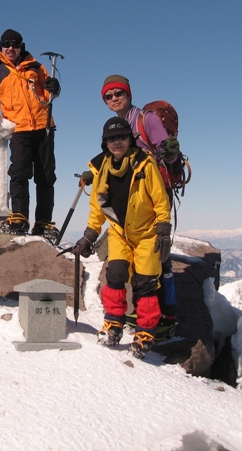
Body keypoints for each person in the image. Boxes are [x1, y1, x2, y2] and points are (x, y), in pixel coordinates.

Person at [73, 118, 172, 359]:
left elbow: (161, 201)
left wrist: (163, 230)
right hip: (119, 233)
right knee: (115, 276)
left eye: (122, 137)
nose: (117, 142)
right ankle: (113, 323)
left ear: (130, 139)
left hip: (147, 233)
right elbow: (97, 207)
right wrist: (89, 235)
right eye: (111, 138)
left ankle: (145, 331)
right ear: (105, 143)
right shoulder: (100, 169)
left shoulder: (145, 164)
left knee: (146, 283)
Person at [97, 74, 182, 328]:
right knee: (140, 256)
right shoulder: (119, 125)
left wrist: (171, 152)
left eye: (118, 93)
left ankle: (167, 315)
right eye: (108, 96)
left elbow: (169, 153)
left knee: (158, 254)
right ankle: (144, 310)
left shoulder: (147, 119)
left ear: (128, 95)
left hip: (155, 194)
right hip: (134, 199)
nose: (114, 98)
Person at [0, 29, 61, 240]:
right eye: (6, 44)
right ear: (1, 47)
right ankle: (19, 217)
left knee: (46, 176)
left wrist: (54, 87)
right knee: (19, 173)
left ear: (21, 46)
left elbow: (49, 94)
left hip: (44, 126)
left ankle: (43, 222)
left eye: (15, 44)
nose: (10, 48)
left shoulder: (37, 67)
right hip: (19, 129)